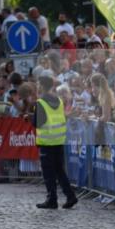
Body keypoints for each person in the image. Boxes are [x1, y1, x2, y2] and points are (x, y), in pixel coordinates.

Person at [33, 74, 78, 210]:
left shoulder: (40, 102)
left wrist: (30, 118)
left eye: (38, 83)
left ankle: (52, 199)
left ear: (41, 85)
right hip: (58, 141)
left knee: (49, 173)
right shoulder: (58, 100)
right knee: (60, 171)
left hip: (47, 142)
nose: (37, 86)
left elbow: (38, 123)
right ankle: (70, 196)